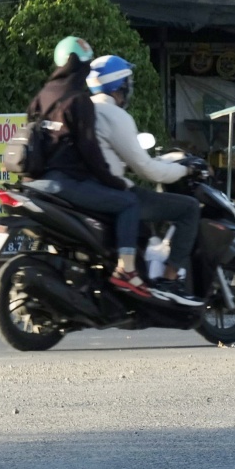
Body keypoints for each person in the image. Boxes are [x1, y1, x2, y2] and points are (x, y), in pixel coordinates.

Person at [25, 37, 145, 296]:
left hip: (37, 184)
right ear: (81, 66)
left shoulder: (43, 95)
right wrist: (116, 183)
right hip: (68, 184)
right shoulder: (79, 101)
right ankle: (126, 270)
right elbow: (90, 151)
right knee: (128, 203)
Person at [86, 55, 203, 306]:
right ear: (119, 86)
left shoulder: (83, 109)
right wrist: (185, 172)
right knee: (189, 208)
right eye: (127, 83)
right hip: (113, 193)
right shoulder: (115, 115)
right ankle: (170, 280)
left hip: (86, 190)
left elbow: (104, 155)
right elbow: (149, 170)